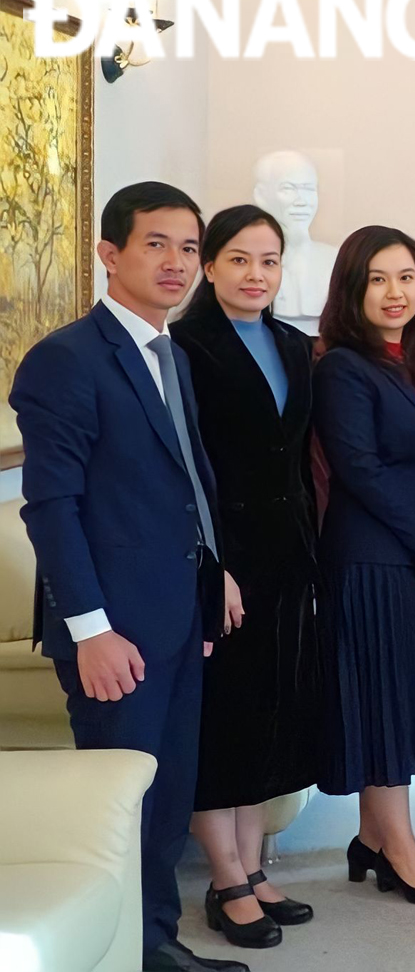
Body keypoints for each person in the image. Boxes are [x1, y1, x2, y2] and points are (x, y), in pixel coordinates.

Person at [13, 182, 248, 972]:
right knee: (120, 805)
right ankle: (123, 951)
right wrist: (90, 629)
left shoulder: (166, 350)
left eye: (189, 247)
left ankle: (156, 944)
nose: (177, 262)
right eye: (157, 244)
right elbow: (50, 505)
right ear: (110, 254)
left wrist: (216, 581)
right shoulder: (66, 360)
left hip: (180, 617)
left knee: (167, 797)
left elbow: (184, 483)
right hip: (113, 630)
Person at [313, 225, 415, 908]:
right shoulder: (342, 367)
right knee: (388, 709)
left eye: (406, 276)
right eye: (378, 277)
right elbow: (361, 470)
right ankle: (402, 852)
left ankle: (371, 838)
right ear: (354, 286)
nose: (395, 291)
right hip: (376, 561)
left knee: (405, 699)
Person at [172, 205, 321, 949]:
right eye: (238, 259)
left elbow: (296, 460)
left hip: (287, 551)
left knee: (271, 711)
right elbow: (184, 468)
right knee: (225, 718)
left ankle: (256, 864)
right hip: (222, 553)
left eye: (268, 261)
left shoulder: (296, 345)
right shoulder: (184, 346)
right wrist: (211, 564)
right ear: (209, 267)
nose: (255, 274)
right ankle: (225, 877)